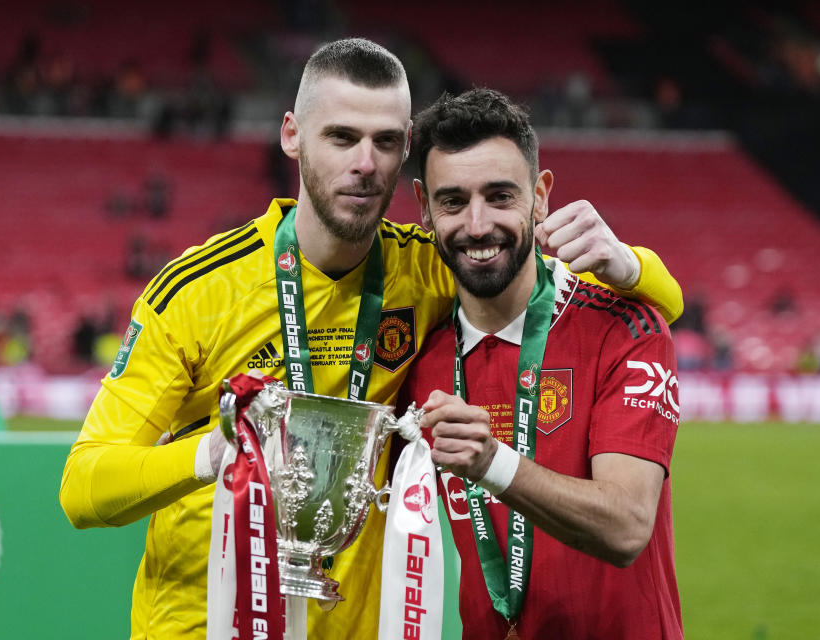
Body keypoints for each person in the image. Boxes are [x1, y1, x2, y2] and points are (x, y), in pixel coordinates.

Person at [59, 39, 683, 640]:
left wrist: (631, 265)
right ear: (292, 135)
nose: (365, 162)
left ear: (405, 148)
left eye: (386, 141)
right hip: (212, 625)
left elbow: (653, 305)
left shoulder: (430, 267)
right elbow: (84, 486)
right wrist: (213, 456)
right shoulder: (196, 293)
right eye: (341, 137)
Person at [401, 88, 683, 639]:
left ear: (540, 196)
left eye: (500, 196)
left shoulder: (623, 329)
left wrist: (491, 464)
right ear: (423, 206)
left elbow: (626, 526)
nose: (477, 226)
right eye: (453, 201)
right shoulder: (416, 353)